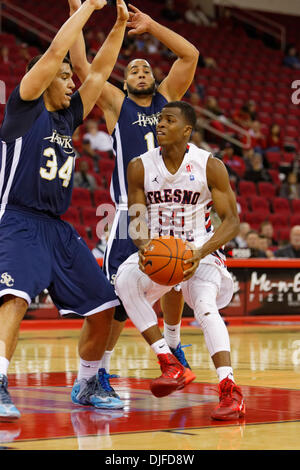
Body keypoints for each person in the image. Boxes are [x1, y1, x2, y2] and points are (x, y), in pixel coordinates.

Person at [0, 0, 129, 420]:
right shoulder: (24, 108)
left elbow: (101, 71)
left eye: (72, 79)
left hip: (56, 227)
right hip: (17, 219)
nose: (73, 83)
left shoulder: (68, 117)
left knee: (104, 306)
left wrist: (120, 25)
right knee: (15, 299)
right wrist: (88, 8)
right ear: (42, 79)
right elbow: (56, 53)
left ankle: (88, 381)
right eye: (64, 78)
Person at [69, 0, 199, 379]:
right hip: (132, 212)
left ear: (156, 79)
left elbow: (190, 54)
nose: (140, 72)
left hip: (171, 209)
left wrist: (151, 25)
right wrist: (78, 12)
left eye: (146, 68)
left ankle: (174, 343)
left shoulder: (168, 96)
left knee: (176, 276)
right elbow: (82, 69)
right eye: (133, 70)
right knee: (116, 300)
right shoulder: (116, 103)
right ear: (124, 82)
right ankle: (98, 373)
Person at [115, 101, 245, 420]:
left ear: (186, 130)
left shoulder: (209, 165)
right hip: (161, 248)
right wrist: (144, 245)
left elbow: (231, 221)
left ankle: (230, 389)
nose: (160, 124)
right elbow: (135, 217)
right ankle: (169, 363)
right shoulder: (139, 166)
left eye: (169, 120)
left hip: (200, 248)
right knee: (124, 280)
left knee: (204, 305)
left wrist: (200, 252)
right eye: (159, 120)